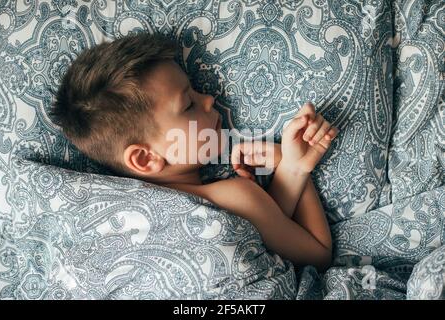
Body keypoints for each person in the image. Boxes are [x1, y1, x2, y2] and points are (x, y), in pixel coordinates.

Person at [51, 33, 339, 271]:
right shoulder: (237, 196)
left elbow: (265, 228)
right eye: (188, 104)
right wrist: (294, 166)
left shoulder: (105, 210)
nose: (209, 99)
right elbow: (318, 253)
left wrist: (288, 169)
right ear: (144, 158)